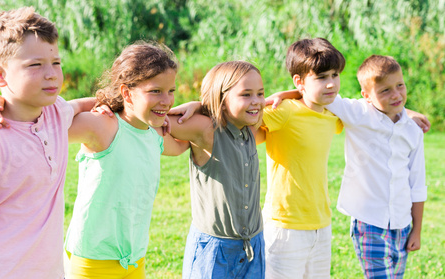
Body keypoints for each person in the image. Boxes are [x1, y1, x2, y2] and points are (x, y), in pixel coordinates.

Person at [0, 7, 88, 278]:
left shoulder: (55, 114)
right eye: (35, 65)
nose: (52, 74)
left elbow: (85, 104)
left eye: (56, 62)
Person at [63, 42, 189, 279]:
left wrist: (195, 106)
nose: (167, 100)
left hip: (133, 260)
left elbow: (185, 143)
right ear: (127, 93)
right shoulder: (104, 126)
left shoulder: (155, 133)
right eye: (155, 91)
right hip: (92, 261)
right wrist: (86, 103)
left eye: (171, 91)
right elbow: (50, 123)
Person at [324, 55, 426, 279]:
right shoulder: (359, 114)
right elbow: (322, 95)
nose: (396, 94)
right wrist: (286, 94)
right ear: (366, 96)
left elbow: (417, 184)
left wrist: (416, 230)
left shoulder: (413, 131)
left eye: (399, 85)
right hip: (368, 223)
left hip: (402, 225)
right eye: (385, 91)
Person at [168, 61, 267, 278]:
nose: (257, 102)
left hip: (253, 245)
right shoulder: (207, 130)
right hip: (214, 252)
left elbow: (296, 97)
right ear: (221, 101)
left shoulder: (250, 126)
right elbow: (156, 119)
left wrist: (200, 104)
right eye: (246, 94)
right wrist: (200, 106)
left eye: (260, 93)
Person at [256, 38, 345, 279]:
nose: (331, 84)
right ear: (299, 81)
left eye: (335, 75)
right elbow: (240, 117)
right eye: (321, 77)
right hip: (285, 226)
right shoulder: (283, 111)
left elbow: (372, 110)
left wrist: (407, 113)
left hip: (321, 224)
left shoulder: (333, 114)